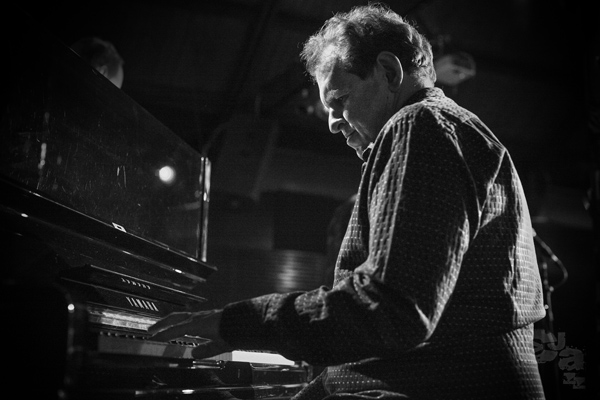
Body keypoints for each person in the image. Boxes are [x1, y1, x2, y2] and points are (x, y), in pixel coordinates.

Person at [148, 4, 547, 399]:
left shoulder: (419, 125)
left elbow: (391, 312)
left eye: (339, 99)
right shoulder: (449, 128)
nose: (332, 123)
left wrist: (238, 323)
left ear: (389, 71)